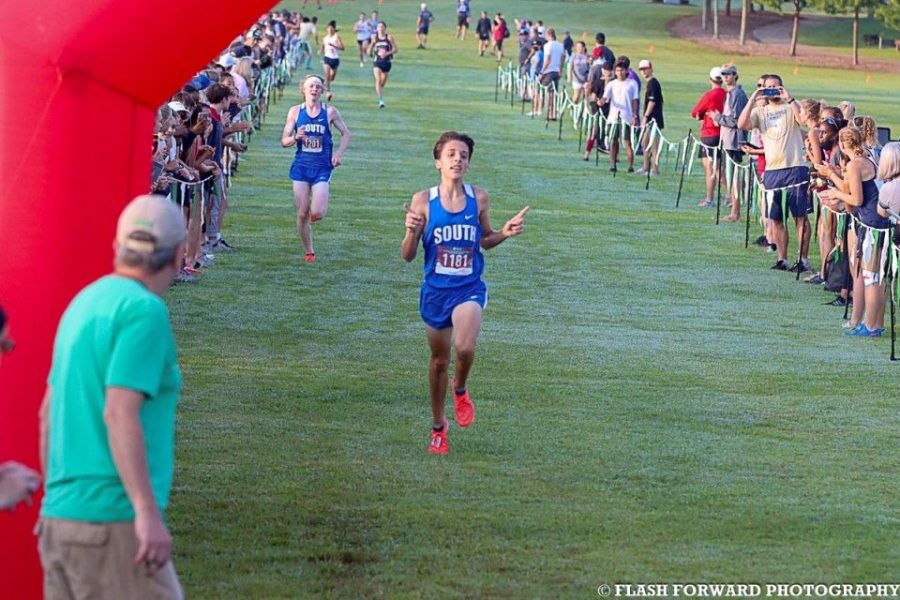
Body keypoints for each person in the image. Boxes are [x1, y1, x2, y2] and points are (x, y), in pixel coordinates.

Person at [38, 195, 188, 599]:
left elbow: (48, 412)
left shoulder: (83, 303)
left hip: (60, 519)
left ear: (117, 247)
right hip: (115, 519)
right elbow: (120, 412)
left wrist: (57, 496)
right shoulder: (144, 312)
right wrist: (145, 512)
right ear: (177, 256)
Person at [401, 132, 529, 455]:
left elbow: (484, 239)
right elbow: (407, 255)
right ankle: (438, 427)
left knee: (465, 347)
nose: (458, 159)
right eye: (451, 154)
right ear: (438, 162)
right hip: (435, 292)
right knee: (439, 362)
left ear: (469, 164)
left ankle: (460, 389)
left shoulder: (479, 198)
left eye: (464, 155)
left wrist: (504, 233)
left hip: (468, 287)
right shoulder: (422, 201)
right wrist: (412, 231)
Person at [819, 128, 889, 336]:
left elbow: (856, 199)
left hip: (871, 225)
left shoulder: (854, 164)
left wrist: (834, 192)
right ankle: (874, 323)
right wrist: (832, 174)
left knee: (870, 277)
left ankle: (871, 326)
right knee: (875, 276)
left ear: (842, 145)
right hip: (876, 221)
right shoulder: (866, 158)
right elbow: (852, 189)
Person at [281, 75, 351, 262]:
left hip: (322, 168)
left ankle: (313, 215)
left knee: (317, 212)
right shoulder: (295, 112)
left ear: (322, 91)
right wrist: (295, 137)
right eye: (311, 86)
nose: (314, 89)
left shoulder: (329, 112)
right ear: (303, 89)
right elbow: (284, 140)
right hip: (301, 168)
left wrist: (339, 154)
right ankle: (309, 250)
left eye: (318, 87)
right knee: (302, 212)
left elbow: (346, 133)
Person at [710, 63, 748, 221]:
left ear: (735, 76)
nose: (725, 76)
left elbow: (736, 121)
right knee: (730, 176)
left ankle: (735, 212)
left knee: (734, 177)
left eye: (729, 73)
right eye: (723, 73)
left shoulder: (736, 95)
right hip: (727, 141)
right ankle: (734, 209)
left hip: (733, 142)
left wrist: (717, 118)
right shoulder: (731, 93)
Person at [691, 67, 726, 207]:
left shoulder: (709, 95)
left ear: (710, 79)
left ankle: (710, 198)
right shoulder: (727, 94)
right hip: (722, 134)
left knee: (710, 168)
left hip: (709, 134)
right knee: (719, 168)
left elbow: (695, 112)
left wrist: (701, 115)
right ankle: (729, 196)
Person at [600, 57, 639, 173]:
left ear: (626, 71)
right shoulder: (612, 84)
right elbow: (605, 97)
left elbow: (634, 100)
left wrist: (634, 115)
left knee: (627, 142)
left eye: (622, 70)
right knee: (613, 141)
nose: (619, 73)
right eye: (617, 70)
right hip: (613, 117)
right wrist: (601, 101)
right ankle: (613, 165)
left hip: (626, 117)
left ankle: (630, 166)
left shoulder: (632, 84)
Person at [636, 59, 664, 176]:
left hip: (654, 119)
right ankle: (646, 167)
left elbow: (652, 102)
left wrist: (645, 117)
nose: (643, 71)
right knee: (645, 143)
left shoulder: (653, 83)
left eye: (645, 69)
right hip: (650, 119)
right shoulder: (650, 83)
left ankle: (654, 168)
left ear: (651, 69)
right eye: (641, 69)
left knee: (654, 144)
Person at [370, 21, 397, 108]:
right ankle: (381, 100)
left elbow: (395, 49)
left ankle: (379, 92)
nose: (380, 28)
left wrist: (387, 53)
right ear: (377, 28)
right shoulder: (374, 38)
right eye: (379, 27)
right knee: (377, 80)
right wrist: (370, 48)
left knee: (382, 84)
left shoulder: (389, 38)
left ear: (385, 28)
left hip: (387, 62)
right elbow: (369, 50)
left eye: (382, 27)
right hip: (377, 62)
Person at [320, 20, 345, 101]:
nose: (330, 30)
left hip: (335, 59)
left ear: (334, 29)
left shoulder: (336, 37)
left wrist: (334, 45)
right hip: (327, 58)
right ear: (327, 29)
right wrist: (320, 50)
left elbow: (342, 48)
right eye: (328, 29)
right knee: (327, 76)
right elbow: (323, 46)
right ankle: (328, 92)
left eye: (331, 29)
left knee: (332, 78)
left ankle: (326, 84)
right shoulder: (325, 38)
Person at [567, 41, 590, 105]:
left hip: (586, 79)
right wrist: (569, 77)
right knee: (576, 96)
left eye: (580, 47)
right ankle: (574, 106)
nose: (579, 48)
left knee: (586, 96)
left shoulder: (587, 56)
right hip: (576, 79)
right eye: (577, 47)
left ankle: (584, 112)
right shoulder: (573, 56)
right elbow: (570, 67)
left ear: (584, 47)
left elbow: (591, 67)